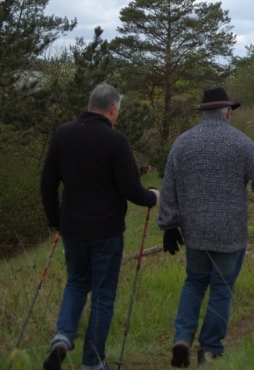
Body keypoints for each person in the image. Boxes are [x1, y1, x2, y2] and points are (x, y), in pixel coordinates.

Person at [40, 83, 159, 370]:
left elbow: (47, 184)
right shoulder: (115, 141)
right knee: (103, 296)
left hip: (73, 229)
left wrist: (56, 220)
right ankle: (93, 362)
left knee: (76, 284)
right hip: (106, 231)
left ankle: (63, 337)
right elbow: (131, 189)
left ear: (90, 103)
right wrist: (152, 197)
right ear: (113, 109)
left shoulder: (63, 135)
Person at [158, 87, 254, 367]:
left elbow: (168, 187)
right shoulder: (241, 142)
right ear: (228, 113)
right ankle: (210, 349)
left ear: (204, 112)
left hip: (195, 232)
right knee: (222, 288)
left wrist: (169, 225)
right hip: (230, 232)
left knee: (194, 282)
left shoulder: (182, 143)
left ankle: (182, 337)